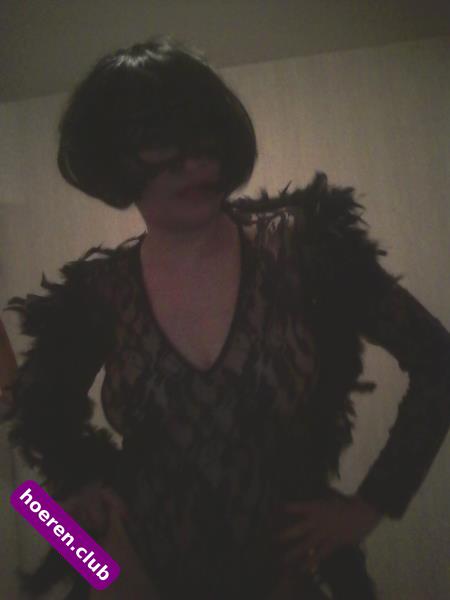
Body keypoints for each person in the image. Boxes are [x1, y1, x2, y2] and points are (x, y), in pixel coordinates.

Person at [4, 35, 450, 600]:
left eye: (203, 134)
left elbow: (438, 360)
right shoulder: (95, 295)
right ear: (114, 157)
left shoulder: (305, 249)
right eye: (160, 141)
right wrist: (96, 565)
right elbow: (28, 501)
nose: (196, 160)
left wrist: (370, 507)